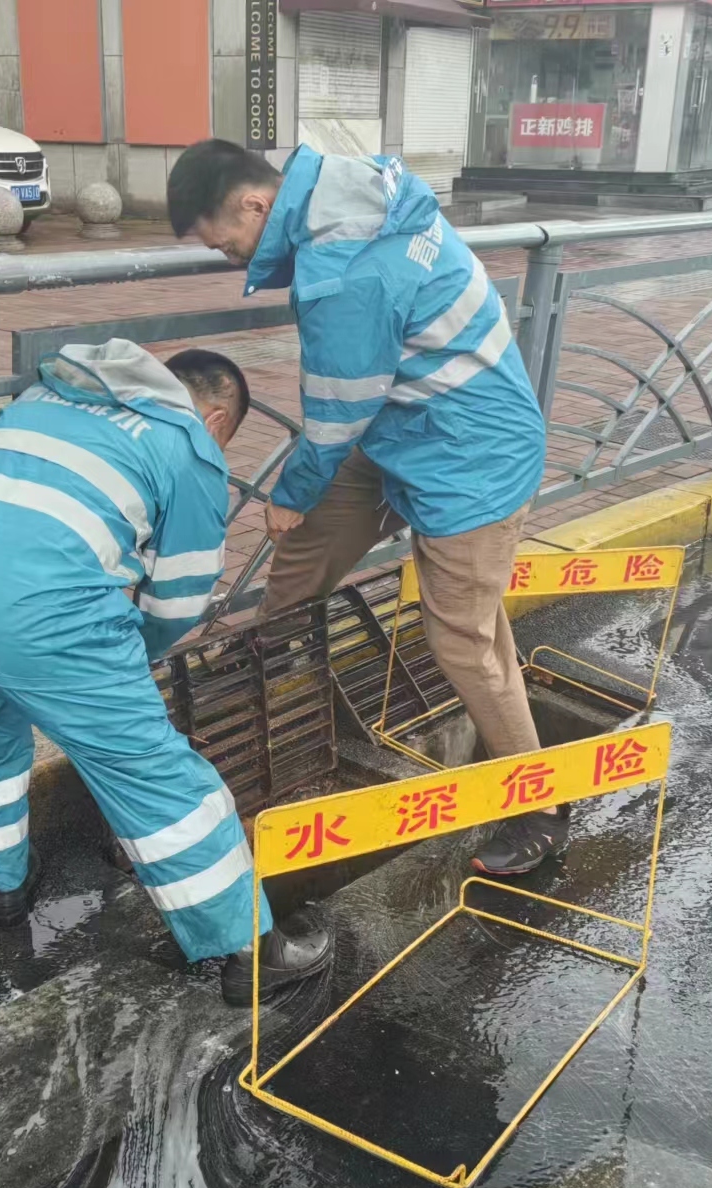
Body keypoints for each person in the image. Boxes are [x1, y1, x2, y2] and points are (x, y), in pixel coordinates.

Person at [0, 340, 332, 1004]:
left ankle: (8, 889)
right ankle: (251, 954)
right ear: (212, 419)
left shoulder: (42, 400)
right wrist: (131, 655)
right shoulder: (187, 444)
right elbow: (177, 601)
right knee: (163, 785)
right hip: (45, 622)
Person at [167, 139, 570, 876]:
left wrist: (290, 491)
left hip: (469, 455)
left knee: (464, 641)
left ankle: (539, 805)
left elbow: (334, 416)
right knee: (314, 536)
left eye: (224, 242)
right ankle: (270, 648)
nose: (227, 257)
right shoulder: (348, 199)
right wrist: (305, 503)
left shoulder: (347, 274)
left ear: (259, 205)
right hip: (405, 422)